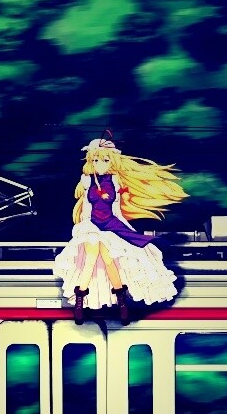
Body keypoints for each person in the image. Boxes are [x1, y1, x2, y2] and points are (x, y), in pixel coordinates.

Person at [52, 135, 187, 324]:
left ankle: (121, 302)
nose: (100, 164)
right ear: (90, 161)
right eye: (96, 160)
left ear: (112, 161)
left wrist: (126, 230)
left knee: (109, 260)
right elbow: (86, 209)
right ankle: (80, 303)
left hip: (110, 224)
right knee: (91, 258)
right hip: (91, 225)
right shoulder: (86, 181)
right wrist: (83, 228)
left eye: (105, 160)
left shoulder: (115, 181)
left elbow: (115, 209)